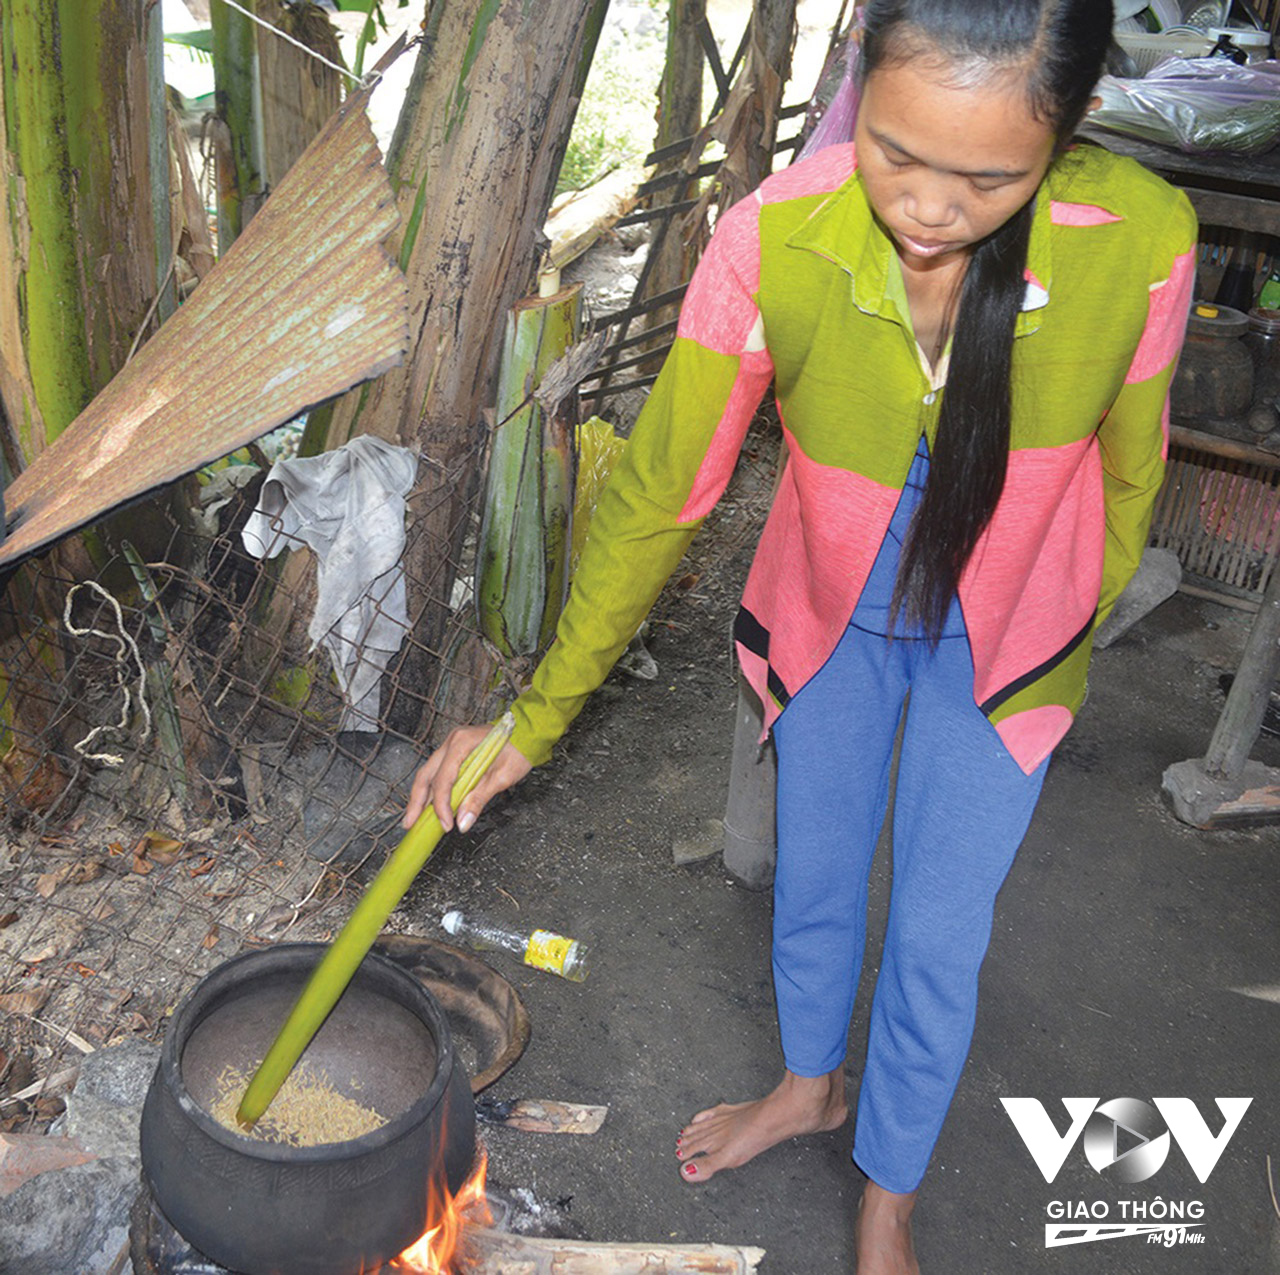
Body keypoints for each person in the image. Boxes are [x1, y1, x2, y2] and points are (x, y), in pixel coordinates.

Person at [404, 0, 1196, 1268]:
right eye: (895, 153)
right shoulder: (773, 233)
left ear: (1072, 125)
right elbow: (665, 489)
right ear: (855, 88)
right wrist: (532, 716)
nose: (930, 208)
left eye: (987, 176)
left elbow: (1129, 462)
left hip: (1008, 640)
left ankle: (889, 1184)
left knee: (940, 931)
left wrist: (1069, 618)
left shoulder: (1143, 241)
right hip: (831, 608)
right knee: (813, 875)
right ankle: (808, 1085)